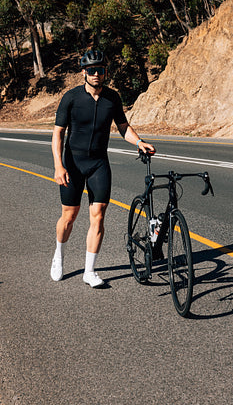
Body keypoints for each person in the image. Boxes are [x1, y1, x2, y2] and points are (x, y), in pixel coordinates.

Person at [50, 49, 155, 287]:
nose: (96, 74)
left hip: (98, 163)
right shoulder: (71, 98)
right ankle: (59, 255)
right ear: (84, 73)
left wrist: (139, 142)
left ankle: (89, 271)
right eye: (91, 70)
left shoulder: (112, 98)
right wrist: (58, 165)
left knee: (98, 216)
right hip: (72, 163)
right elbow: (58, 133)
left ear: (106, 72)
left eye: (100, 70)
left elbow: (123, 127)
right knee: (69, 216)